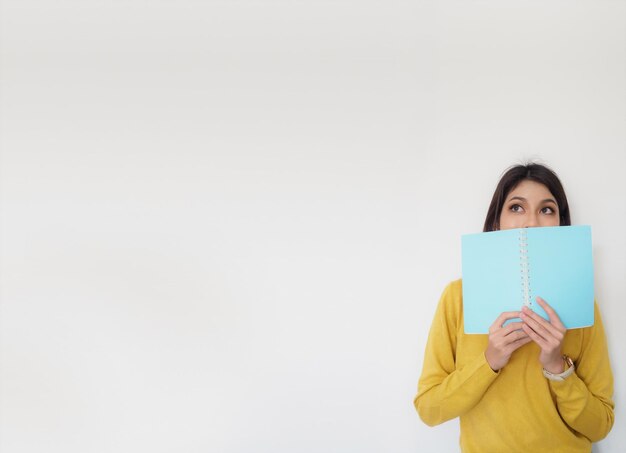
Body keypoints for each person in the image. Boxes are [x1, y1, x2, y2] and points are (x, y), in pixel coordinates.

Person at [413, 163, 614, 453]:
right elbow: (429, 409)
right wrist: (489, 360)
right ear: (496, 222)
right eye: (517, 208)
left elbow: (601, 425)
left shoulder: (582, 303)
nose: (531, 222)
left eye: (547, 210)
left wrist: (558, 367)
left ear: (561, 225)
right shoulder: (457, 297)